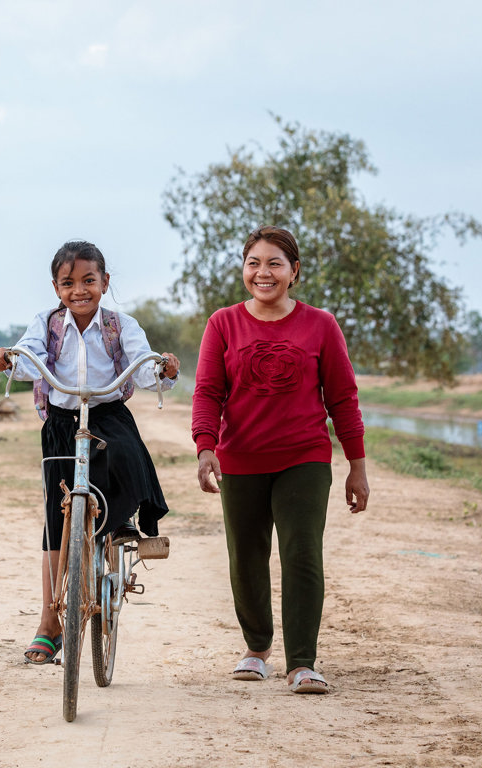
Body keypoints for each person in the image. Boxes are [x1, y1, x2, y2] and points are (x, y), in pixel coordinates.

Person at [191, 225, 369, 694]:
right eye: (254, 263)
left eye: (274, 263)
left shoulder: (321, 325)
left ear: (294, 272)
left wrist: (357, 465)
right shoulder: (223, 323)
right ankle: (256, 649)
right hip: (241, 458)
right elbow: (208, 391)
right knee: (246, 556)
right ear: (243, 269)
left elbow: (344, 399)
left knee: (302, 553)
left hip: (304, 457)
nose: (263, 272)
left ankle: (302, 662)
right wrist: (205, 447)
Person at [0, 240, 180, 664]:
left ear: (105, 282)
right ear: (56, 287)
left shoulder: (120, 324)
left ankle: (124, 522)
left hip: (107, 413)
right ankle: (48, 623)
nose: (80, 290)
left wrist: (161, 368)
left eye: (89, 280)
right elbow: (28, 358)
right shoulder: (47, 323)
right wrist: (10, 360)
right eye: (68, 282)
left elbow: (143, 362)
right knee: (54, 520)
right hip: (61, 422)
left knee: (129, 458)